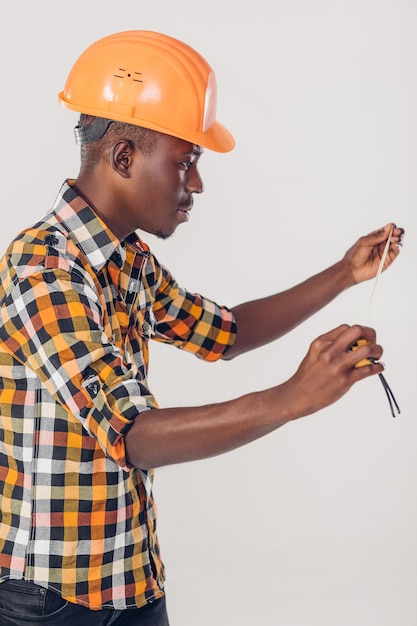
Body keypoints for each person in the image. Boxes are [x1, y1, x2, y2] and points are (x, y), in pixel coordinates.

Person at [0, 30, 404, 626]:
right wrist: (291, 400)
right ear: (124, 157)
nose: (196, 184)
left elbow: (229, 332)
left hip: (130, 577)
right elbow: (133, 435)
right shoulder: (44, 268)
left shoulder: (128, 261)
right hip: (52, 601)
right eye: (186, 161)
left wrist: (346, 273)